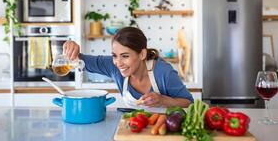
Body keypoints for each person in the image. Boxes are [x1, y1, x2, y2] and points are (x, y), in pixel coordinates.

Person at [63, 27, 193, 108]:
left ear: (142, 54)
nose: (118, 63)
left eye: (125, 56)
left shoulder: (163, 72)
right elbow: (80, 60)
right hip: (134, 131)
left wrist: (163, 100)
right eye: (114, 56)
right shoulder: (114, 67)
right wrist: (71, 48)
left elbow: (188, 102)